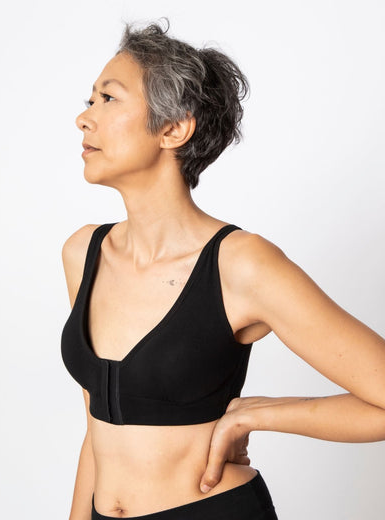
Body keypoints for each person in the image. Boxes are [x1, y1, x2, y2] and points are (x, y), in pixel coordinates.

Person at [60, 18, 385, 520]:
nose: (84, 118)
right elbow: (96, 425)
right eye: (90, 100)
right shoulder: (84, 252)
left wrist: (259, 413)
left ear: (173, 129)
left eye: (108, 98)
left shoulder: (241, 264)